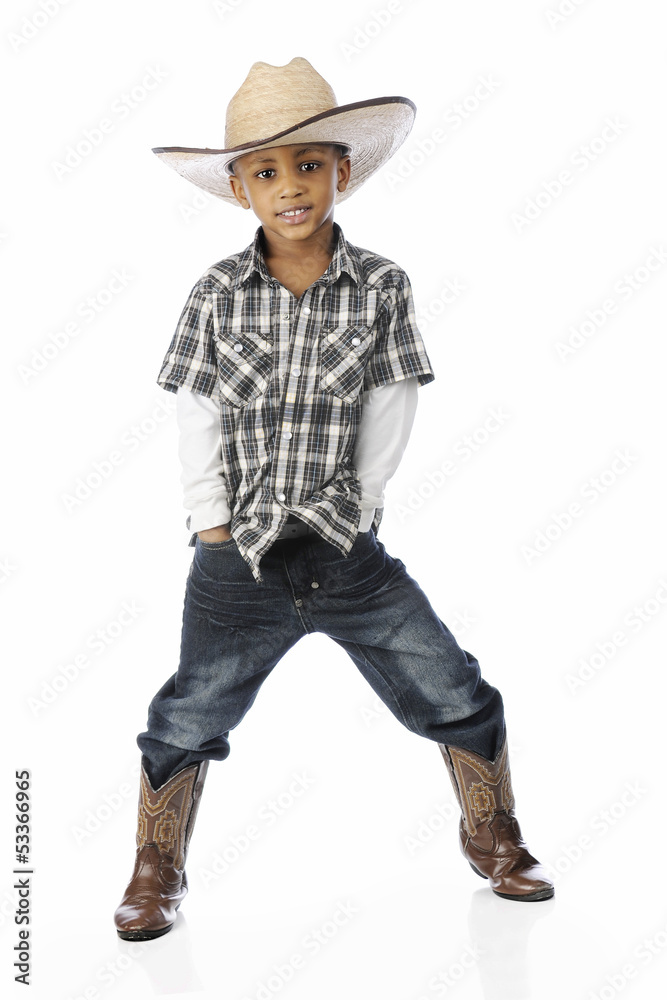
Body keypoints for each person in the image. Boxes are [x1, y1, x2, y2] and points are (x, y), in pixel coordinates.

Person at [114, 57, 554, 941]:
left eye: (308, 165)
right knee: (190, 710)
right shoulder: (215, 293)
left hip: (343, 549)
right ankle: (156, 868)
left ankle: (493, 834)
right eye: (266, 172)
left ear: (341, 173)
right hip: (238, 557)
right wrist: (209, 523)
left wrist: (362, 507)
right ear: (239, 189)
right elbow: (198, 410)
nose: (290, 188)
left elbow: (391, 401)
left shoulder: (381, 285)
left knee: (450, 682)